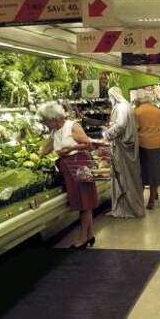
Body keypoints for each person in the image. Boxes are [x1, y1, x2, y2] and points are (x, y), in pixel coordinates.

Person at [37, 102, 100, 250]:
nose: (44, 124)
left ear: (53, 118)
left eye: (45, 121)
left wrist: (71, 147)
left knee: (84, 204)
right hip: (68, 167)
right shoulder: (55, 131)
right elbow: (47, 147)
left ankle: (82, 238)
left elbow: (88, 144)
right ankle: (89, 235)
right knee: (84, 202)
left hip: (79, 165)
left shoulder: (72, 126)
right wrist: (37, 155)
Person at [103, 87, 145, 219]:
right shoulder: (127, 106)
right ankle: (124, 207)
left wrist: (107, 133)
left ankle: (127, 209)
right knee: (128, 177)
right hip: (127, 147)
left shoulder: (121, 107)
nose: (110, 100)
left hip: (123, 148)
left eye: (110, 97)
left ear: (114, 96)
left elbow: (120, 125)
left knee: (124, 177)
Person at [134, 96, 160, 210]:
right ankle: (151, 202)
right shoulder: (157, 111)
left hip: (142, 145)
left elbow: (134, 129)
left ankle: (139, 201)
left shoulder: (137, 111)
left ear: (140, 102)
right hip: (157, 144)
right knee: (155, 174)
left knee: (141, 173)